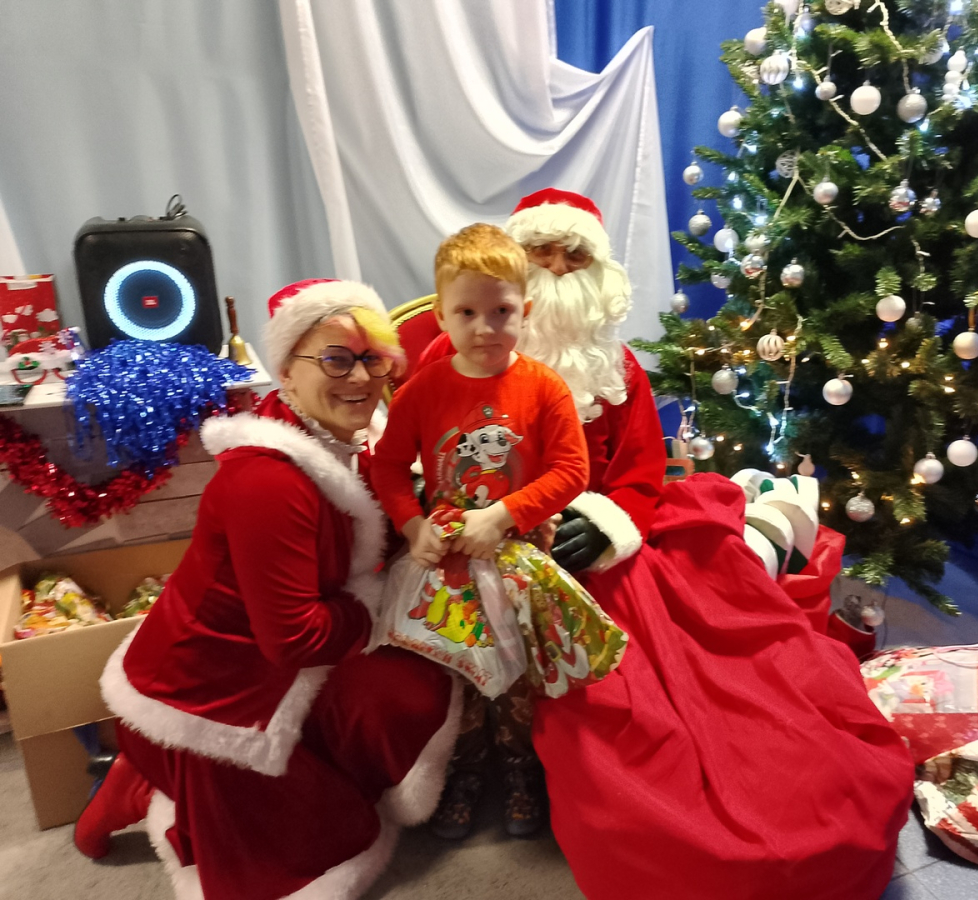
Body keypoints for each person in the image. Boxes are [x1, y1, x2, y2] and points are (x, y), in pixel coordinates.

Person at [419, 189, 915, 900]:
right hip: (485, 536)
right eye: (541, 254)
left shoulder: (615, 366)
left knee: (701, 667)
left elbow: (641, 473)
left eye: (573, 256)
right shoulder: (456, 350)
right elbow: (422, 449)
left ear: (597, 270)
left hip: (590, 546)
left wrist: (608, 522)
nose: (557, 269)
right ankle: (484, 763)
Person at [77, 279, 461, 900]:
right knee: (308, 850)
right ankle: (150, 773)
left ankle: (169, 772)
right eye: (335, 359)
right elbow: (295, 639)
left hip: (274, 663)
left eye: (373, 359)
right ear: (285, 372)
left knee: (410, 688)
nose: (360, 377)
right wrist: (377, 605)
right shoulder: (268, 480)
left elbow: (362, 545)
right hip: (210, 697)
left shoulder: (348, 445)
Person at [372, 223, 589, 839]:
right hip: (447, 560)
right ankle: (465, 771)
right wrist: (412, 523)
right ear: (441, 315)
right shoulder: (423, 390)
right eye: (466, 313)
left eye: (501, 312)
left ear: (526, 310)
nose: (485, 328)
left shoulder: (543, 387)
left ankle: (521, 769)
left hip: (519, 554)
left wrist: (505, 514)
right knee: (457, 671)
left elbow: (572, 469)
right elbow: (387, 465)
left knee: (516, 670)